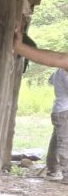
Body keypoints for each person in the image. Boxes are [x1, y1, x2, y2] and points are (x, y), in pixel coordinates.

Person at [13, 30, 68, 183]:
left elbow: (58, 61)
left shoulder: (60, 70)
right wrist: (21, 48)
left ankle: (53, 169)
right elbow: (58, 58)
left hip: (60, 110)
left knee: (59, 142)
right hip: (64, 111)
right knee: (64, 143)